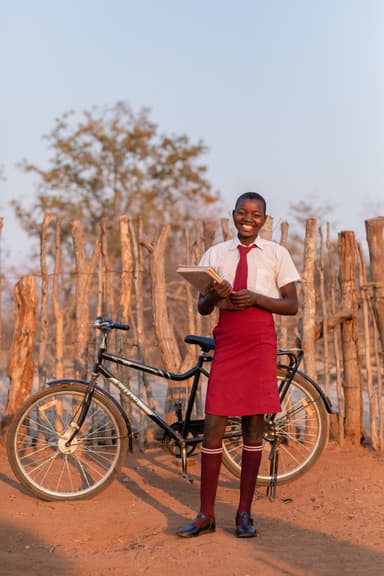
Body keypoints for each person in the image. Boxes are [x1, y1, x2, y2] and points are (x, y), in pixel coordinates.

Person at [177, 192, 300, 539]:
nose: (249, 218)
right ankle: (206, 514)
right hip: (228, 343)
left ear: (264, 218)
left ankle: (244, 513)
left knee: (253, 427)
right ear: (233, 215)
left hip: (260, 342)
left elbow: (292, 305)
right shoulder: (216, 254)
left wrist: (257, 298)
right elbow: (203, 307)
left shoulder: (277, 254)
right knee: (214, 425)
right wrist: (215, 294)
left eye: (256, 214)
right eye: (242, 213)